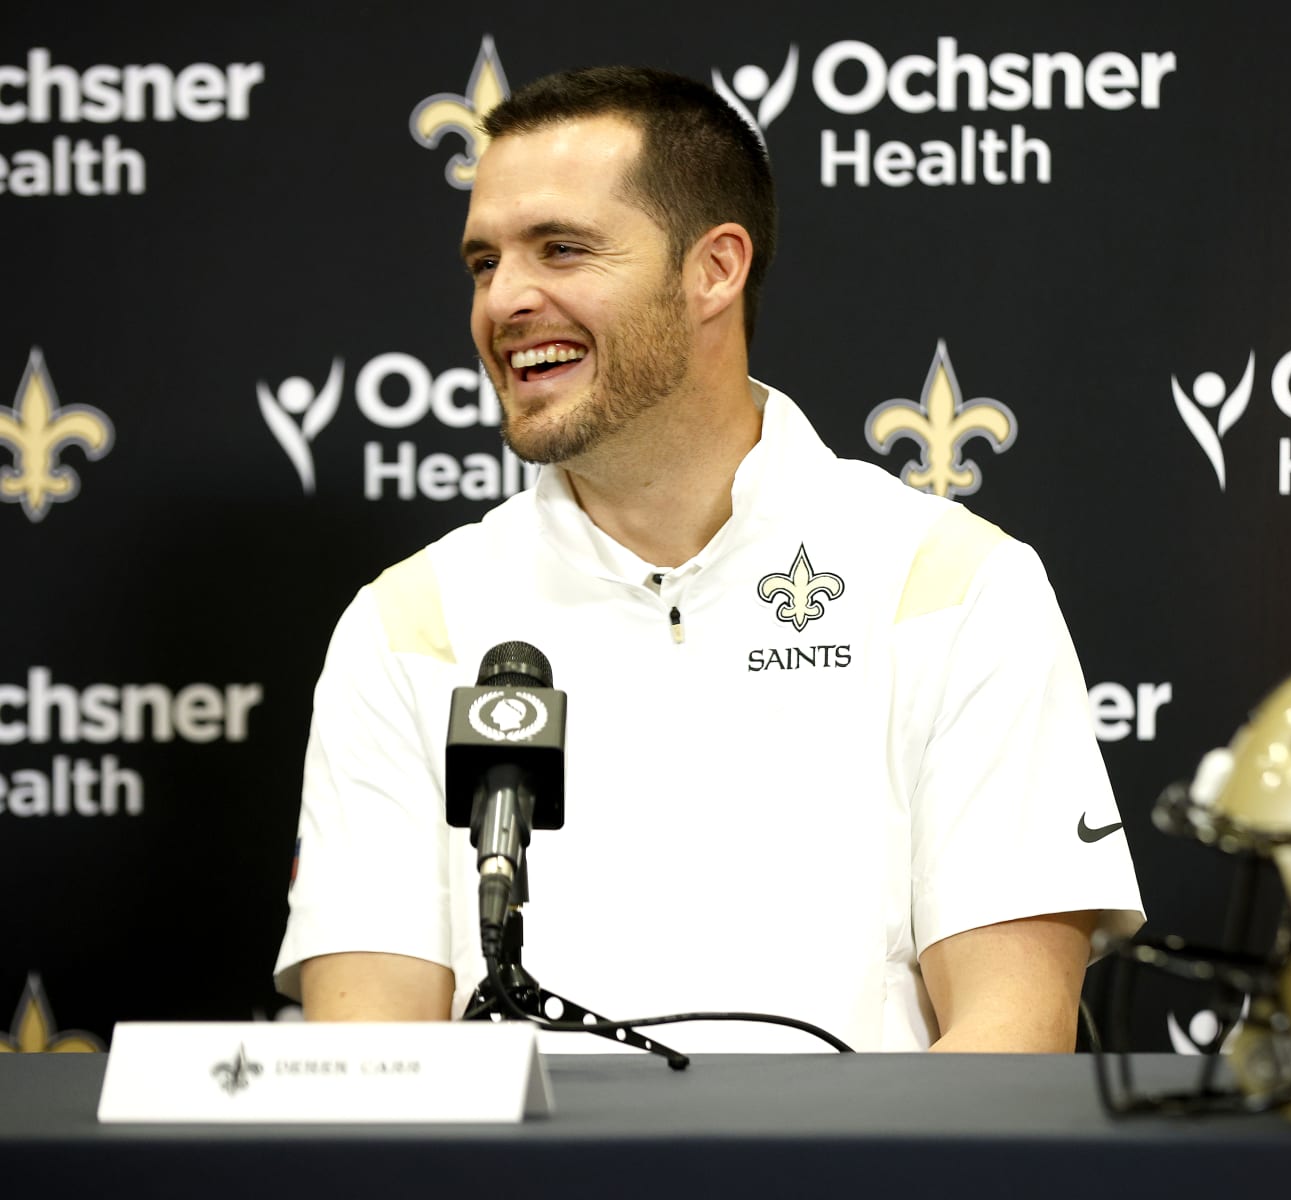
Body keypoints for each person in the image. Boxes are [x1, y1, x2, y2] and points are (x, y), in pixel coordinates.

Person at [274, 66, 1143, 1052]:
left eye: (561, 248)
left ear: (715, 270)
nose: (504, 300)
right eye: (484, 262)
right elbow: (370, 1066)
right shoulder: (408, 624)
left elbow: (1010, 1043)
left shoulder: (950, 585)